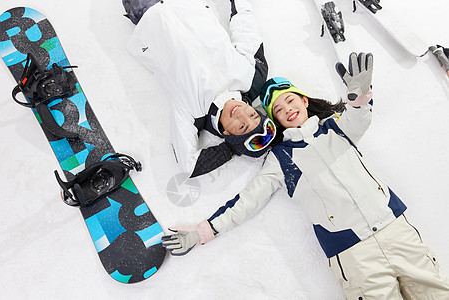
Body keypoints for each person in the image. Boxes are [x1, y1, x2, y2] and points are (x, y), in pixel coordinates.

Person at [161, 52, 449, 299]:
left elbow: (358, 118)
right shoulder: (281, 158)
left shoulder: (337, 128)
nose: (287, 108)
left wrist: (360, 96)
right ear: (274, 121)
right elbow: (247, 202)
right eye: (278, 109)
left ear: (303, 100)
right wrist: (202, 231)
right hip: (354, 254)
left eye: (290, 100)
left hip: (396, 231)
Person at [123, 0, 274, 177]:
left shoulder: (193, 114)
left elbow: (189, 166)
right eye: (253, 115)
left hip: (150, 14)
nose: (241, 113)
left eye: (241, 126)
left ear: (227, 134)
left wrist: (228, 150)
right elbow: (245, 27)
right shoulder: (252, 77)